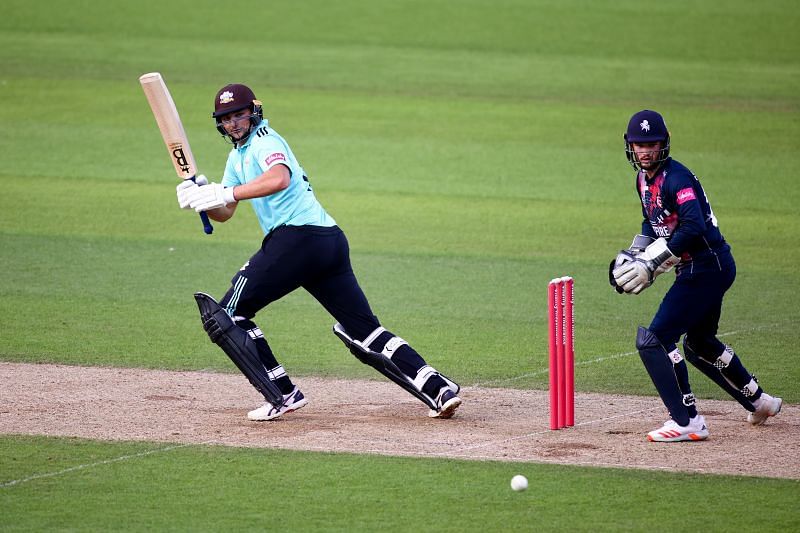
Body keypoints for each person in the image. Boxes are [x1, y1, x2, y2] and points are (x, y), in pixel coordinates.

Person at [176, 83, 462, 421]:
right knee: (362, 330)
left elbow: (279, 179)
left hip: (297, 239)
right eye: (227, 118)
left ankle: (281, 394)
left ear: (253, 112)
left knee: (226, 316)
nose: (234, 123)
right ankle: (437, 388)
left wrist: (227, 193)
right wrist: (202, 198)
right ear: (220, 124)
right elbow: (225, 212)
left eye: (239, 115)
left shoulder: (265, 140)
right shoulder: (236, 156)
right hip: (327, 241)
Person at [610, 110, 782, 442]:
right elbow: (654, 222)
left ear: (664, 144)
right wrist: (634, 254)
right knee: (699, 343)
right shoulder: (643, 180)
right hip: (703, 267)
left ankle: (687, 421)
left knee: (655, 340)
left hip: (706, 266)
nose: (645, 151)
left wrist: (652, 264)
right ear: (630, 146)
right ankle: (760, 402)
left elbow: (693, 226)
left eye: (652, 144)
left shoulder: (677, 178)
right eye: (639, 144)